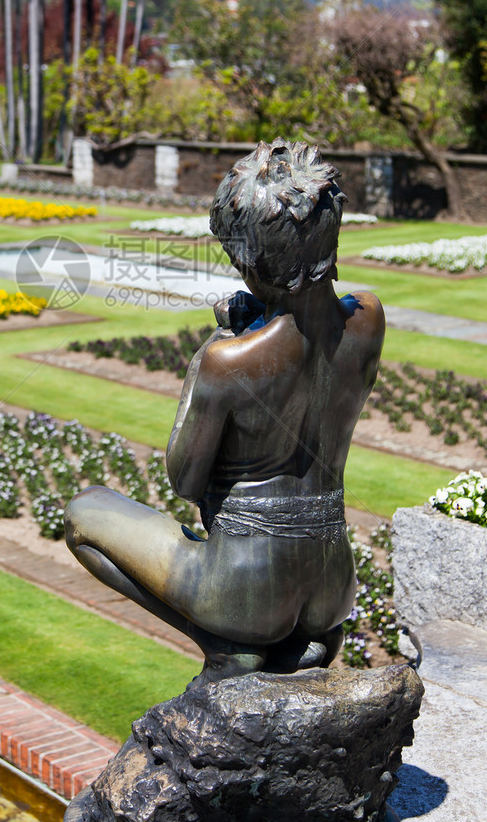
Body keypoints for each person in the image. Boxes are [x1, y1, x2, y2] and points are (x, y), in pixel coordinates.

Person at [64, 141, 385, 681]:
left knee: (84, 514)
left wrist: (215, 345)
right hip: (332, 588)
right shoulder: (371, 319)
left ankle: (225, 644)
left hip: (246, 589)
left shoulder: (229, 358)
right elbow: (308, 327)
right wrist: (261, 312)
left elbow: (186, 480)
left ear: (252, 262)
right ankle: (303, 644)